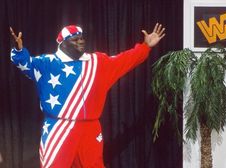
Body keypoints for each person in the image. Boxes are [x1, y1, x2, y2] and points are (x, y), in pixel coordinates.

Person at [10, 23, 165, 168]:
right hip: (60, 127)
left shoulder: (97, 62)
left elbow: (124, 60)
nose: (81, 41)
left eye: (82, 38)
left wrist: (145, 47)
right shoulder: (47, 62)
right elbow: (26, 64)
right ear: (62, 43)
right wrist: (19, 51)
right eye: (75, 39)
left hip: (91, 128)